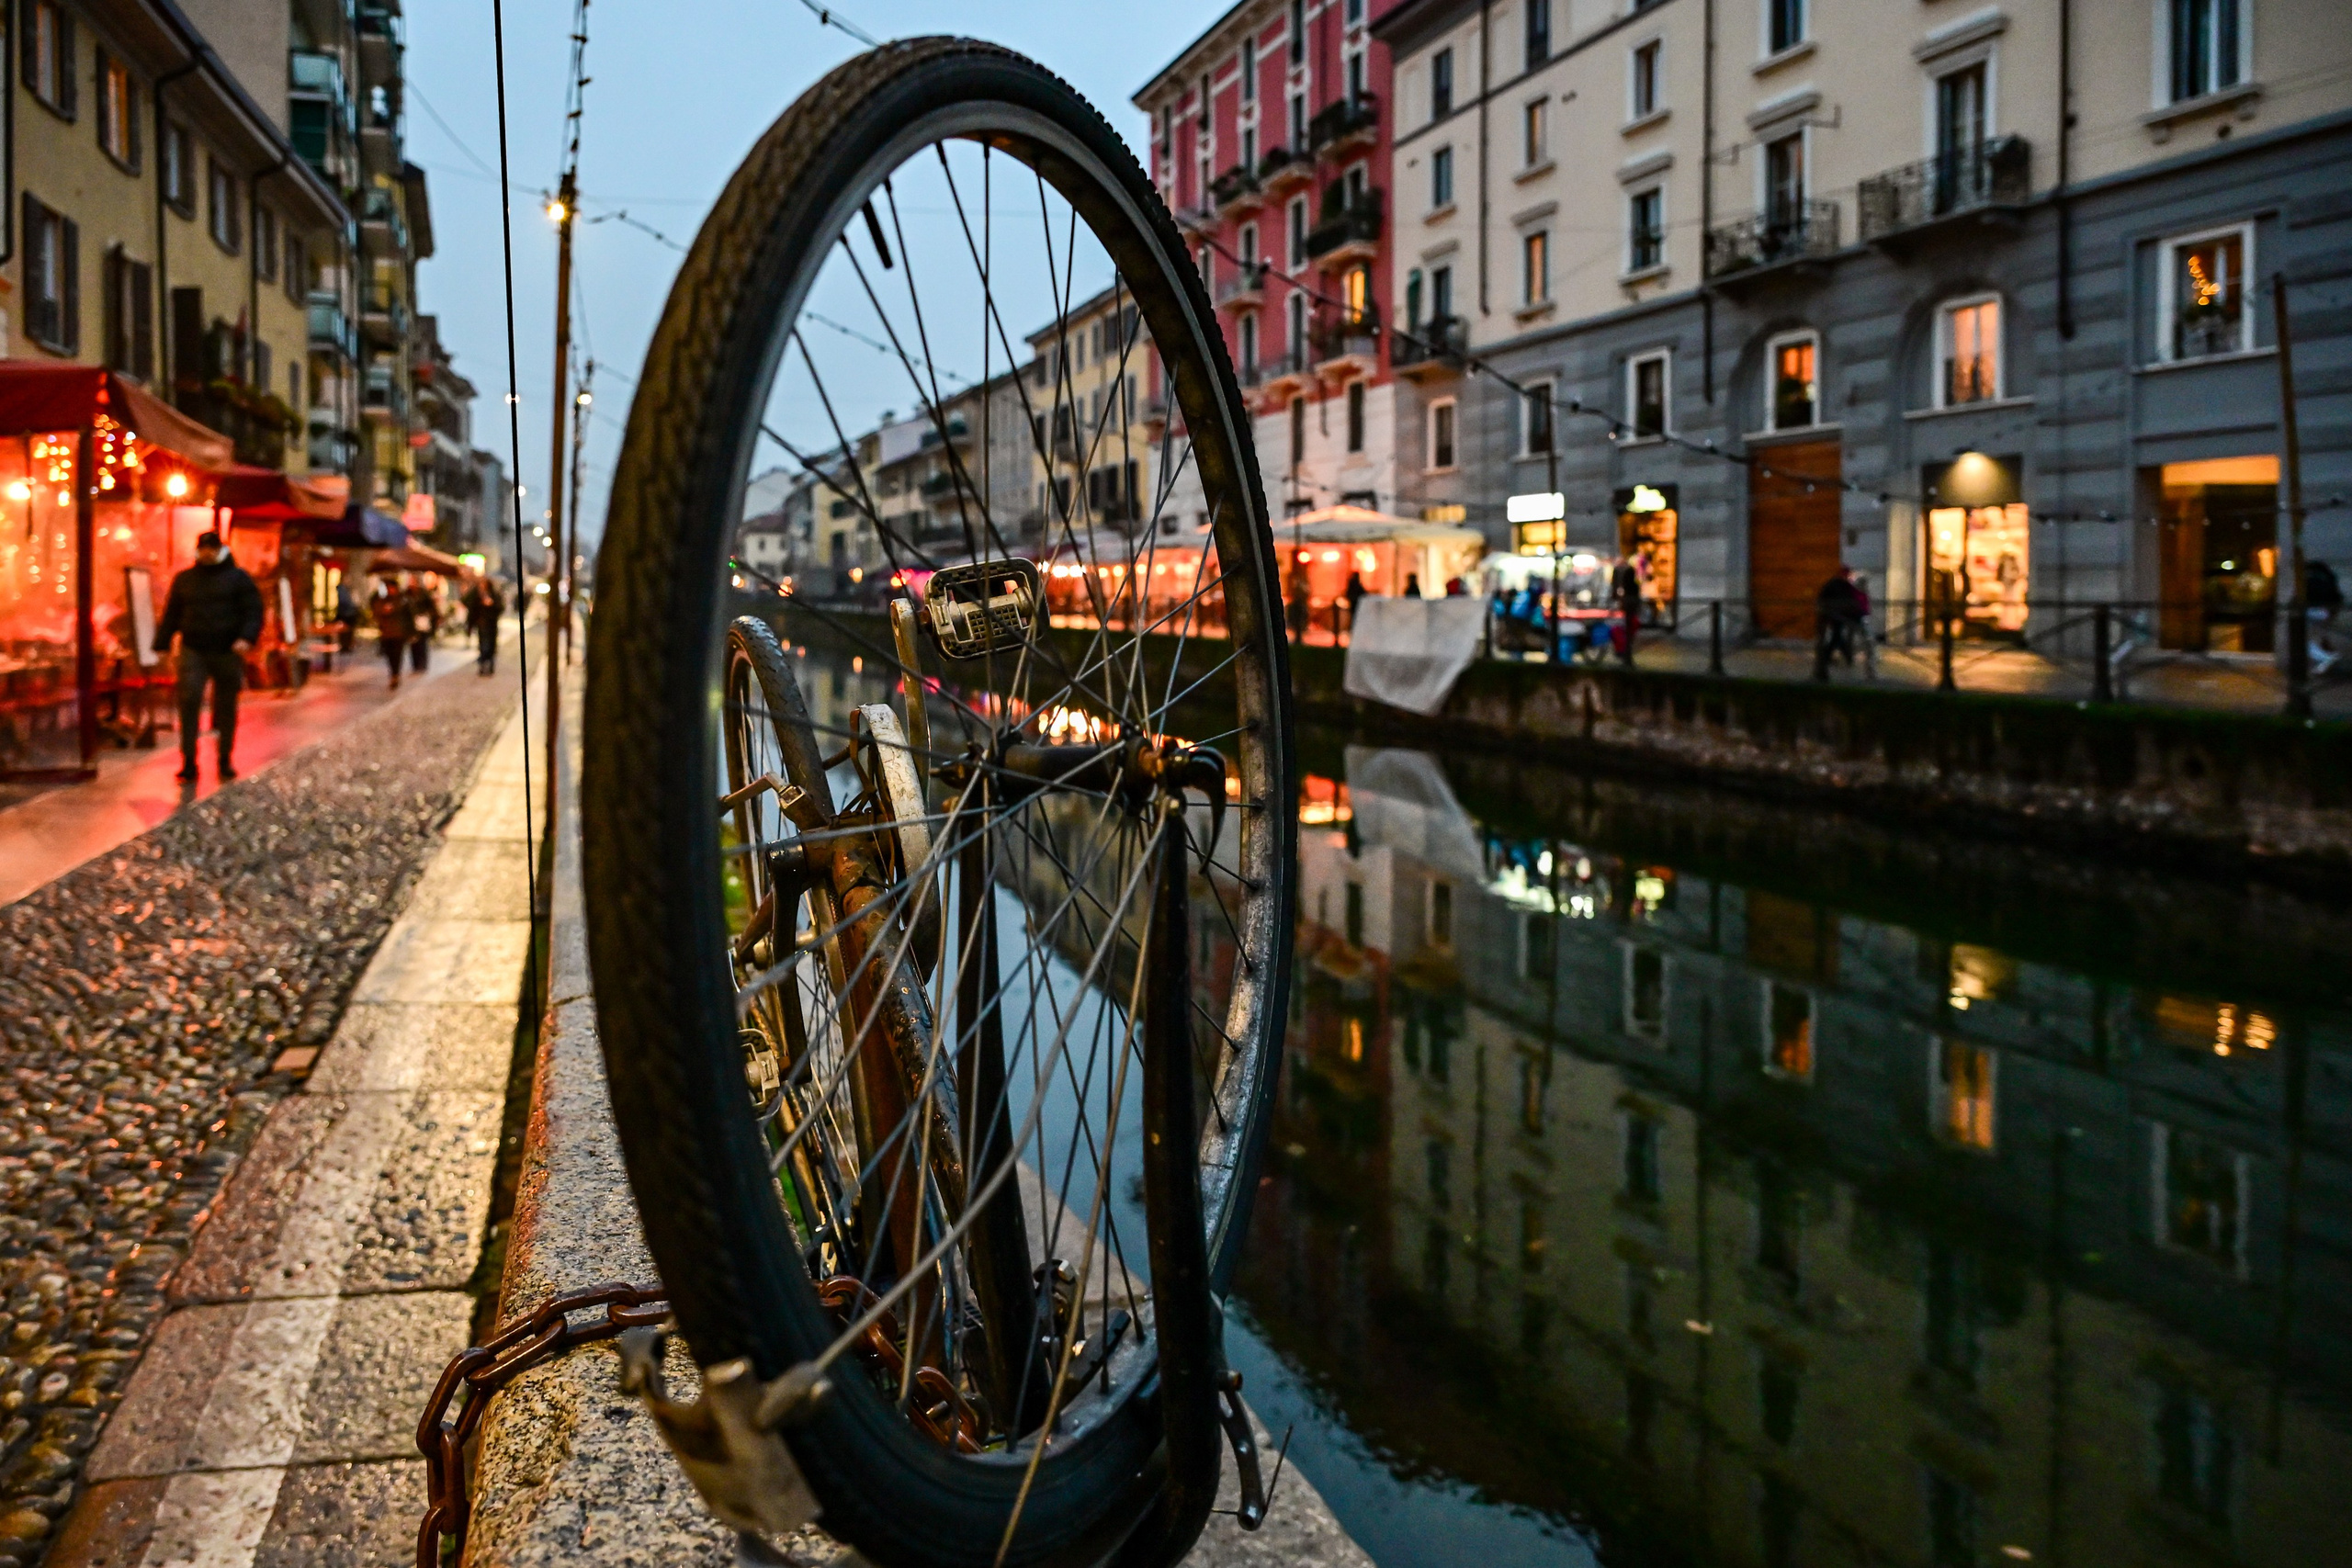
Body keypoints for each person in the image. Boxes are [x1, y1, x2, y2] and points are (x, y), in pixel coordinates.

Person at [154, 530, 262, 782]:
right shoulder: (185, 580)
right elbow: (172, 613)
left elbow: (253, 610)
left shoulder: (238, 579)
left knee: (225, 706)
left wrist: (246, 638)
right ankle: (189, 762)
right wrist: (162, 643)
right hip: (194, 649)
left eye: (211, 548)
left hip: (227, 650)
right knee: (189, 700)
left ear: (219, 550)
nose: (207, 553)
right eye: (204, 548)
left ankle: (225, 759)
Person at [1814, 565, 1864, 681]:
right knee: (1837, 636)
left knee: (1836, 636)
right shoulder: (1840, 585)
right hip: (1835, 614)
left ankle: (1828, 658)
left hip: (1836, 614)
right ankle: (1842, 656)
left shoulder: (1837, 584)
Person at [371, 575, 412, 688]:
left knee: (397, 655)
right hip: (386, 633)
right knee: (389, 655)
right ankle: (393, 674)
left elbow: (408, 616)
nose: (390, 590)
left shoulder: (402, 599)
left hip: (399, 633)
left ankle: (396, 675)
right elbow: (376, 609)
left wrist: (410, 632)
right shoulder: (381, 599)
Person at [462, 575, 506, 675]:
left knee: (490, 646)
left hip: (491, 623)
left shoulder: (494, 594)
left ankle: (489, 665)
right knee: (483, 645)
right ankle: (483, 665)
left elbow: (500, 607)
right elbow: (467, 601)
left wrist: (491, 604)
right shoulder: (476, 593)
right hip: (481, 623)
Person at [404, 574, 441, 674]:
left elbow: (431, 606)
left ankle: (422, 664)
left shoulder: (423, 593)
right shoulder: (407, 593)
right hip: (411, 622)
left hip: (422, 620)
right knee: (413, 644)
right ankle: (415, 665)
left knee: (422, 643)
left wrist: (436, 617)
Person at [1611, 557, 1644, 665]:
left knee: (1625, 630)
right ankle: (1626, 656)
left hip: (1627, 605)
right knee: (1628, 632)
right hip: (1630, 605)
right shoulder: (1630, 574)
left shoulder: (1620, 573)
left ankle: (1624, 654)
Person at [1342, 570, 1368, 643]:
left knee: (1355, 618)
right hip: (1356, 604)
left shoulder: (1353, 584)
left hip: (1355, 604)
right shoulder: (1355, 584)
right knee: (1355, 618)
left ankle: (1354, 631)